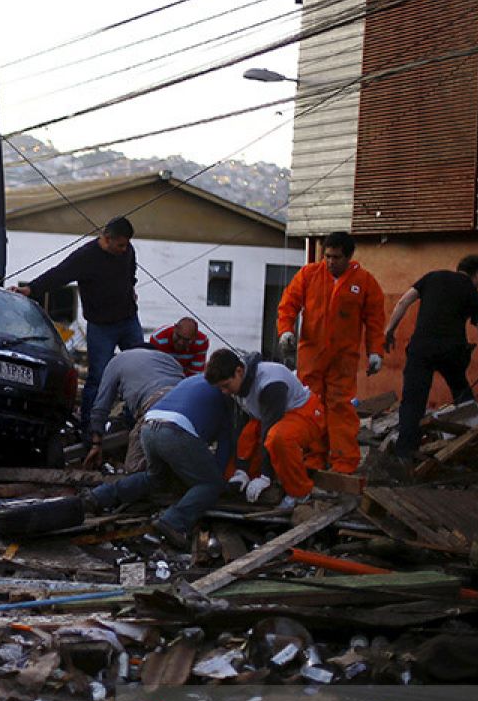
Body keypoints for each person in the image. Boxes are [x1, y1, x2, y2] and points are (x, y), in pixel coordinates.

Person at [85, 374, 236, 550]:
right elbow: (225, 445)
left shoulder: (194, 379)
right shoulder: (228, 393)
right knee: (210, 484)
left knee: (156, 478)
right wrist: (222, 480)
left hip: (150, 426)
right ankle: (174, 522)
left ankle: (98, 496)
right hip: (176, 429)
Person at [14, 216, 142, 423]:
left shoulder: (127, 251)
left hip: (128, 319)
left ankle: (132, 417)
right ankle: (89, 421)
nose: (124, 249)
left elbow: (131, 271)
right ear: (107, 238)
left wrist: (131, 287)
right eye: (120, 245)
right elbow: (59, 274)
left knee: (138, 367)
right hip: (101, 326)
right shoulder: (85, 257)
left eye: (126, 245)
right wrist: (31, 289)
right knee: (98, 376)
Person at [276, 231, 385, 473]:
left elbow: (375, 319)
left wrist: (375, 351)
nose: (330, 262)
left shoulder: (365, 282)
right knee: (310, 405)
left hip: (343, 358)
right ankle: (313, 457)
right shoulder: (309, 274)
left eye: (336, 257)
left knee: (340, 408)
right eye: (327, 256)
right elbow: (289, 304)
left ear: (349, 257)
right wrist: (285, 331)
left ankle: (343, 462)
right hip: (311, 355)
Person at [383, 254, 478, 463]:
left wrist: (389, 331)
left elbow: (403, 302)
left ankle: (404, 453)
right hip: (452, 352)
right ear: (477, 274)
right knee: (463, 398)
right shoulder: (474, 296)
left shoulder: (432, 277)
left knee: (413, 402)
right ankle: (469, 443)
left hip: (421, 348)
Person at [205, 348, 325, 507]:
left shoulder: (270, 384)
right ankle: (245, 477)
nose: (225, 392)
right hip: (271, 416)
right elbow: (241, 426)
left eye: (226, 386)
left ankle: (299, 492)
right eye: (221, 388)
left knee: (278, 438)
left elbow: (269, 429)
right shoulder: (238, 383)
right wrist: (241, 470)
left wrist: (265, 476)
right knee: (248, 435)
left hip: (305, 413)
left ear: (239, 371)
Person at [83, 347, 184, 472]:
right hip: (185, 403)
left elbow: (100, 408)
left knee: (133, 468)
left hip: (155, 404)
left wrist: (96, 444)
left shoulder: (116, 362)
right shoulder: (168, 359)